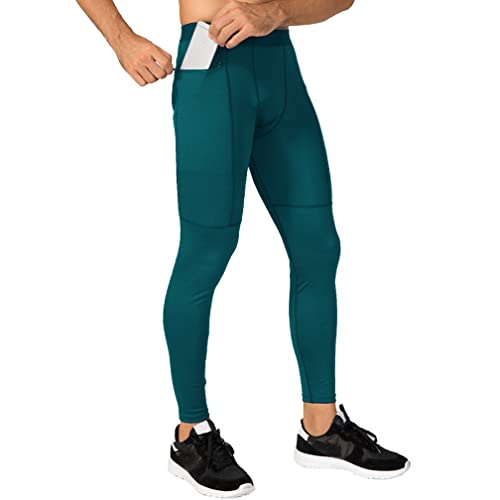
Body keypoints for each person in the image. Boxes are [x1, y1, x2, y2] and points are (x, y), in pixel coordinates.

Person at [77, 0, 410, 496]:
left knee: (318, 246)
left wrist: (276, 12)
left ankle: (321, 429)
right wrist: (123, 40)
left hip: (279, 66)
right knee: (207, 250)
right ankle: (191, 434)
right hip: (210, 66)